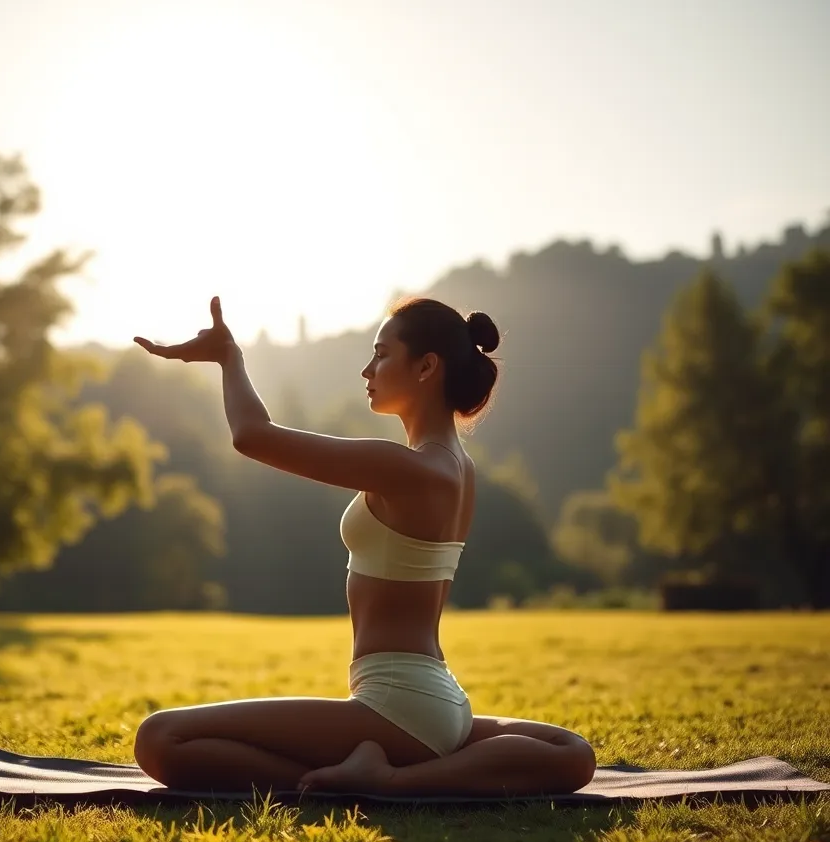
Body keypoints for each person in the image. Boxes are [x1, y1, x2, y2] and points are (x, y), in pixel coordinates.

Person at [131, 295, 596, 797]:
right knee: (571, 751)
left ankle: (377, 781)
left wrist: (230, 358)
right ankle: (395, 775)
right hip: (437, 700)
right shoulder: (457, 467)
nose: (366, 369)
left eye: (381, 354)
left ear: (426, 367)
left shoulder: (407, 467)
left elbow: (252, 436)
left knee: (160, 737)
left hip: (398, 707)